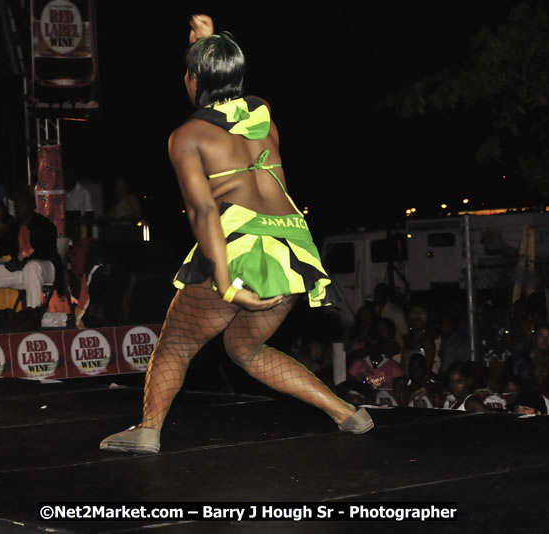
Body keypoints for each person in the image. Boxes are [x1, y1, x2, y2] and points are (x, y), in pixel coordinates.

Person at [99, 15, 372, 454]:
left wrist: (225, 282)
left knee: (175, 344)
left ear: (192, 79)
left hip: (242, 251)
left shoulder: (186, 136)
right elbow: (229, 92)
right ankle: (347, 412)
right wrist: (209, 42)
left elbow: (204, 210)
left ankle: (148, 429)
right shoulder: (262, 113)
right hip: (292, 252)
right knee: (245, 349)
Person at [0, 191, 63, 329]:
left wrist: (22, 263)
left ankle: (33, 313)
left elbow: (45, 250)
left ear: (31, 205)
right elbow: (3, 246)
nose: (18, 208)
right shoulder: (15, 226)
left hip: (46, 269)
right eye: (17, 205)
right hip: (24, 273)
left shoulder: (44, 224)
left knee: (32, 265)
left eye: (22, 205)